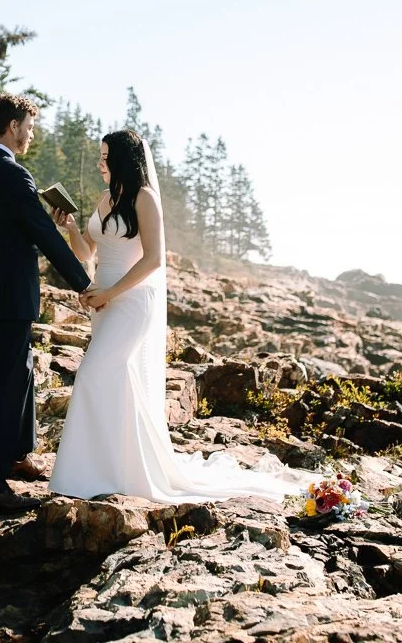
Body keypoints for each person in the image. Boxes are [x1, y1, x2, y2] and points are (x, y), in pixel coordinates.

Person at [48, 129, 316, 503]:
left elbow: (154, 259)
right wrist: (72, 229)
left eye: (106, 156)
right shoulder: (103, 199)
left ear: (124, 159)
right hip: (103, 305)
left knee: (94, 373)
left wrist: (109, 291)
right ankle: (109, 472)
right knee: (116, 381)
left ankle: (99, 472)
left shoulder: (145, 199)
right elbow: (86, 254)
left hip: (131, 302)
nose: (100, 162)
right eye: (100, 155)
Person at [0, 93, 92, 513]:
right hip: (11, 294)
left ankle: (17, 453)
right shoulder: (13, 175)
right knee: (5, 382)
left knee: (22, 370)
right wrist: (83, 283)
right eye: (29, 127)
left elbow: (6, 231)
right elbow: (45, 237)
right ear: (13, 126)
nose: (31, 135)